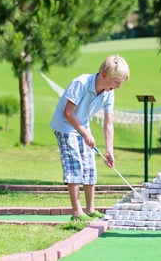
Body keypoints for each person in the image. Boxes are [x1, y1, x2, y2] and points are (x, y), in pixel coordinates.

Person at [50, 55, 130, 221]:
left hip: (81, 125)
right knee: (75, 165)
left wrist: (109, 151)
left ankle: (90, 209)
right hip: (64, 125)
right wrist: (85, 133)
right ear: (104, 74)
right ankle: (77, 212)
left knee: (89, 165)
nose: (118, 86)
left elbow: (108, 123)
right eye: (116, 82)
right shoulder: (81, 83)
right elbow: (68, 112)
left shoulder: (109, 93)